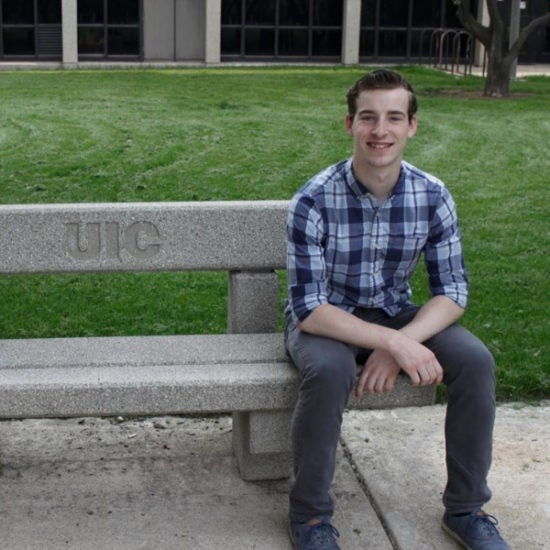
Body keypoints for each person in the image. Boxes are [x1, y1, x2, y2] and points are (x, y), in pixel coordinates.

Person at [284, 69, 510, 550]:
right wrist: (391, 343)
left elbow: (452, 290)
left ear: (412, 126)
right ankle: (310, 519)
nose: (379, 131)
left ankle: (467, 510)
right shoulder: (313, 199)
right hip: (329, 321)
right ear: (349, 125)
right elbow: (308, 308)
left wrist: (403, 338)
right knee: (327, 370)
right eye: (368, 117)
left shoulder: (432, 196)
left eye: (393, 117)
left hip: (397, 313)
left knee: (475, 362)